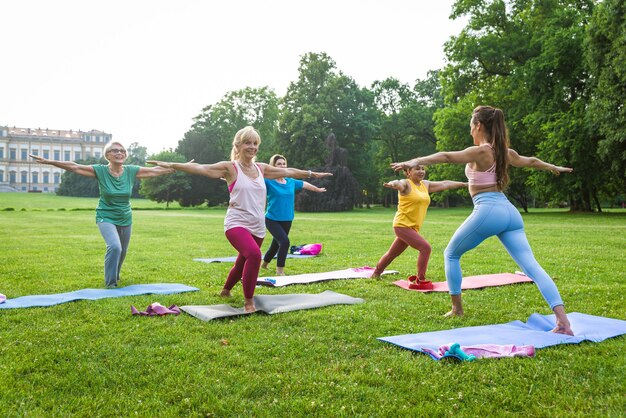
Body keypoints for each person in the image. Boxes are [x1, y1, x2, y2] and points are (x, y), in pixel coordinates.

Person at [391, 105, 574, 335]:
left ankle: (457, 309)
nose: (470, 132)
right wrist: (553, 167)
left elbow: (447, 156)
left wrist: (414, 160)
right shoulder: (505, 152)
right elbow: (532, 161)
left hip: (489, 210)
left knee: (451, 253)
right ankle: (563, 323)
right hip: (510, 213)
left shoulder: (481, 151)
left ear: (478, 125)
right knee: (532, 267)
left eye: (471, 126)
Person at [147, 126, 332, 313]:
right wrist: (172, 165)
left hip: (257, 225)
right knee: (254, 255)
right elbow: (201, 168)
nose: (252, 147)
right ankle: (248, 301)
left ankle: (226, 290)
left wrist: (311, 174)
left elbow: (289, 172)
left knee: (243, 260)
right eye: (247, 143)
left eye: (255, 143)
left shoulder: (261, 169)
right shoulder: (230, 168)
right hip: (236, 223)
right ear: (238, 145)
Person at [29, 141, 174, 288]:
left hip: (125, 216)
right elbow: (75, 167)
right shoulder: (100, 171)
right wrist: (50, 162)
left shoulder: (131, 171)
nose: (119, 153)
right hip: (105, 215)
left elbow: (155, 171)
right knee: (115, 247)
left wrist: (179, 166)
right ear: (108, 155)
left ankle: (115, 275)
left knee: (122, 251)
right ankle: (111, 283)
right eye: (115, 150)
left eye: (122, 151)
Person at [372, 165, 467, 288]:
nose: (421, 171)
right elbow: (398, 183)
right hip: (402, 225)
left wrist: (464, 184)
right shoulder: (406, 184)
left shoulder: (425, 185)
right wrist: (392, 184)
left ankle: (376, 273)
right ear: (408, 172)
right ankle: (421, 280)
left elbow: (445, 184)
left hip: (412, 227)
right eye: (417, 169)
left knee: (392, 253)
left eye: (423, 169)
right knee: (425, 248)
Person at [261, 154, 326, 276]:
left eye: (284, 163)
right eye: (279, 164)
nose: (282, 166)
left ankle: (264, 264)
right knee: (284, 242)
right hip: (272, 219)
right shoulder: (268, 181)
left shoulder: (291, 182)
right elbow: (253, 181)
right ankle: (280, 270)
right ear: (273, 166)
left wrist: (317, 189)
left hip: (287, 219)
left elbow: (305, 185)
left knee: (276, 244)